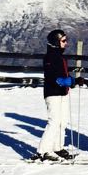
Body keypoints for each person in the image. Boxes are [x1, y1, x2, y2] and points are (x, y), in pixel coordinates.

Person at [35, 29, 77, 161]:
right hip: (52, 93)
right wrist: (69, 81)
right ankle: (43, 151)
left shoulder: (59, 56)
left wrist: (71, 80)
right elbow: (54, 78)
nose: (66, 43)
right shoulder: (50, 57)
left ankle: (57, 147)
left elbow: (62, 75)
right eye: (63, 41)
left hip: (62, 93)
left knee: (63, 121)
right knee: (54, 121)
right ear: (56, 42)